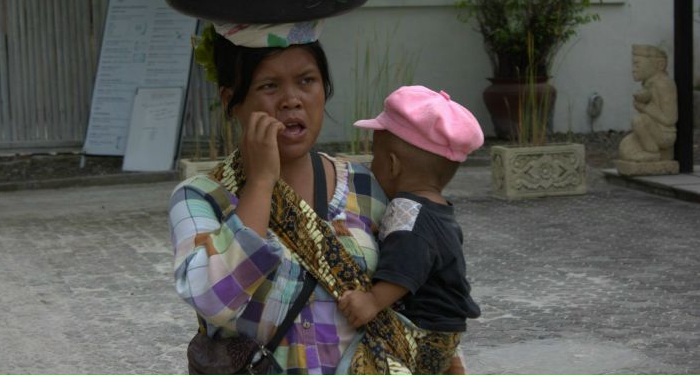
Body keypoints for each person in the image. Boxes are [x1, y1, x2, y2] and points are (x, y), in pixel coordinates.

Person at [168, 23, 468, 375]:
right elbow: (214, 300)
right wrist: (262, 182)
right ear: (230, 101)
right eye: (269, 86)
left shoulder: (366, 186)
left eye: (307, 81)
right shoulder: (202, 197)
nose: (291, 99)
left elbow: (426, 300)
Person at [338, 86, 483, 375]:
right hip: (447, 335)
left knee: (359, 359)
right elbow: (415, 246)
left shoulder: (407, 210)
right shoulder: (439, 210)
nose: (372, 164)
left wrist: (371, 301)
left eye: (374, 156)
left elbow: (407, 265)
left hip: (423, 333)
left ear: (392, 165)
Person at [618, 44, 677, 162]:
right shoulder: (649, 84)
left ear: (659, 65)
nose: (633, 69)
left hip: (665, 134)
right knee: (625, 148)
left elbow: (670, 119)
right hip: (652, 131)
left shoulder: (664, 84)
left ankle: (653, 153)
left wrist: (645, 107)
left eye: (637, 64)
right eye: (633, 64)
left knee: (638, 120)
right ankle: (657, 154)